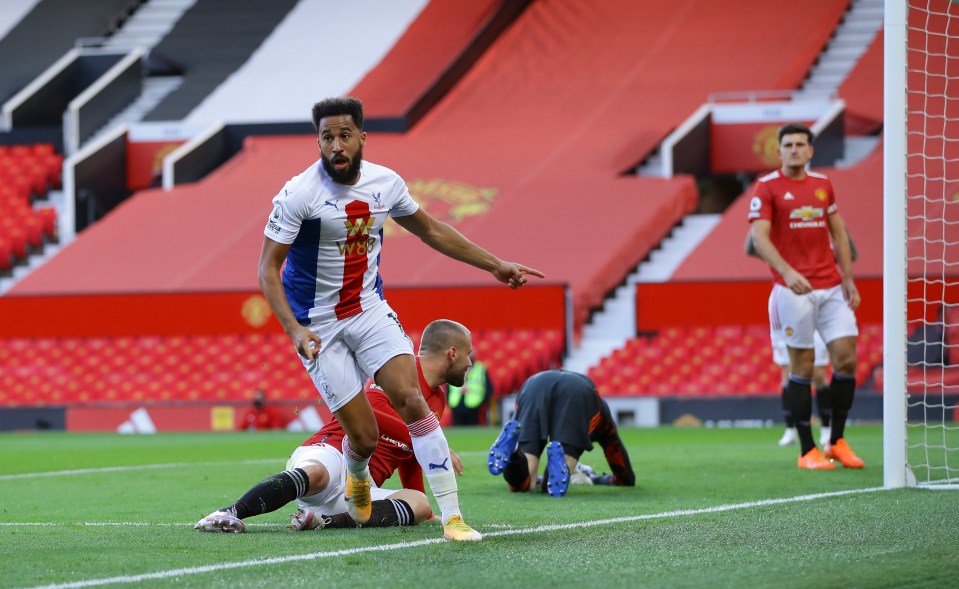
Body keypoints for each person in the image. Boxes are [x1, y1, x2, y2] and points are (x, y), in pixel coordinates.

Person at [258, 96, 544, 542]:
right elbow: (267, 269)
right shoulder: (298, 195)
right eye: (327, 136)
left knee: (412, 398)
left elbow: (432, 230)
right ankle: (356, 478)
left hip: (369, 309)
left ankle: (452, 518)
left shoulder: (385, 183)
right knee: (365, 437)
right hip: (319, 322)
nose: (336, 145)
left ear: (361, 138)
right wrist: (295, 329)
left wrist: (494, 264)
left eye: (344, 135)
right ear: (318, 141)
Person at [196, 319, 474, 533]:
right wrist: (431, 439)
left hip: (360, 490)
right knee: (317, 474)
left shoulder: (438, 398)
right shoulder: (400, 371)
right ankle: (228, 512)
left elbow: (411, 456)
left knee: (419, 503)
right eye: (467, 354)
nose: (470, 362)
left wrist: (426, 448)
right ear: (452, 353)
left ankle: (321, 521)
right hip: (334, 451)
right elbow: (371, 412)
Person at [748, 122, 864, 471]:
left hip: (831, 287)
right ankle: (806, 450)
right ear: (779, 150)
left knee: (846, 360)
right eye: (788, 144)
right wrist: (787, 271)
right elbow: (759, 238)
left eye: (801, 144)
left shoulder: (822, 185)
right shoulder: (766, 188)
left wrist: (848, 278)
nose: (794, 149)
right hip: (792, 291)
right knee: (802, 367)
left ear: (810, 151)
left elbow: (839, 234)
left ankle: (838, 441)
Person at [745, 226, 859, 447]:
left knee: (818, 373)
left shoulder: (825, 229)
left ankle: (828, 430)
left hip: (823, 300)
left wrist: (839, 233)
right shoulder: (786, 233)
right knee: (788, 372)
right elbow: (752, 247)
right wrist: (763, 225)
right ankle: (794, 431)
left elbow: (850, 254)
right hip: (791, 300)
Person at [487, 370, 635, 497]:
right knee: (551, 484)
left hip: (534, 385)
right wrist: (597, 479)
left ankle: (513, 454)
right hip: (578, 392)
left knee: (525, 485)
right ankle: (554, 470)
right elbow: (621, 464)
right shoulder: (602, 412)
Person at [446, 352, 492, 425]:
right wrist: (448, 400)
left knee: (472, 429)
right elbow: (449, 386)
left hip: (474, 404)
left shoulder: (480, 368)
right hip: (456, 403)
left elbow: (489, 387)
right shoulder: (455, 367)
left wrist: (483, 401)